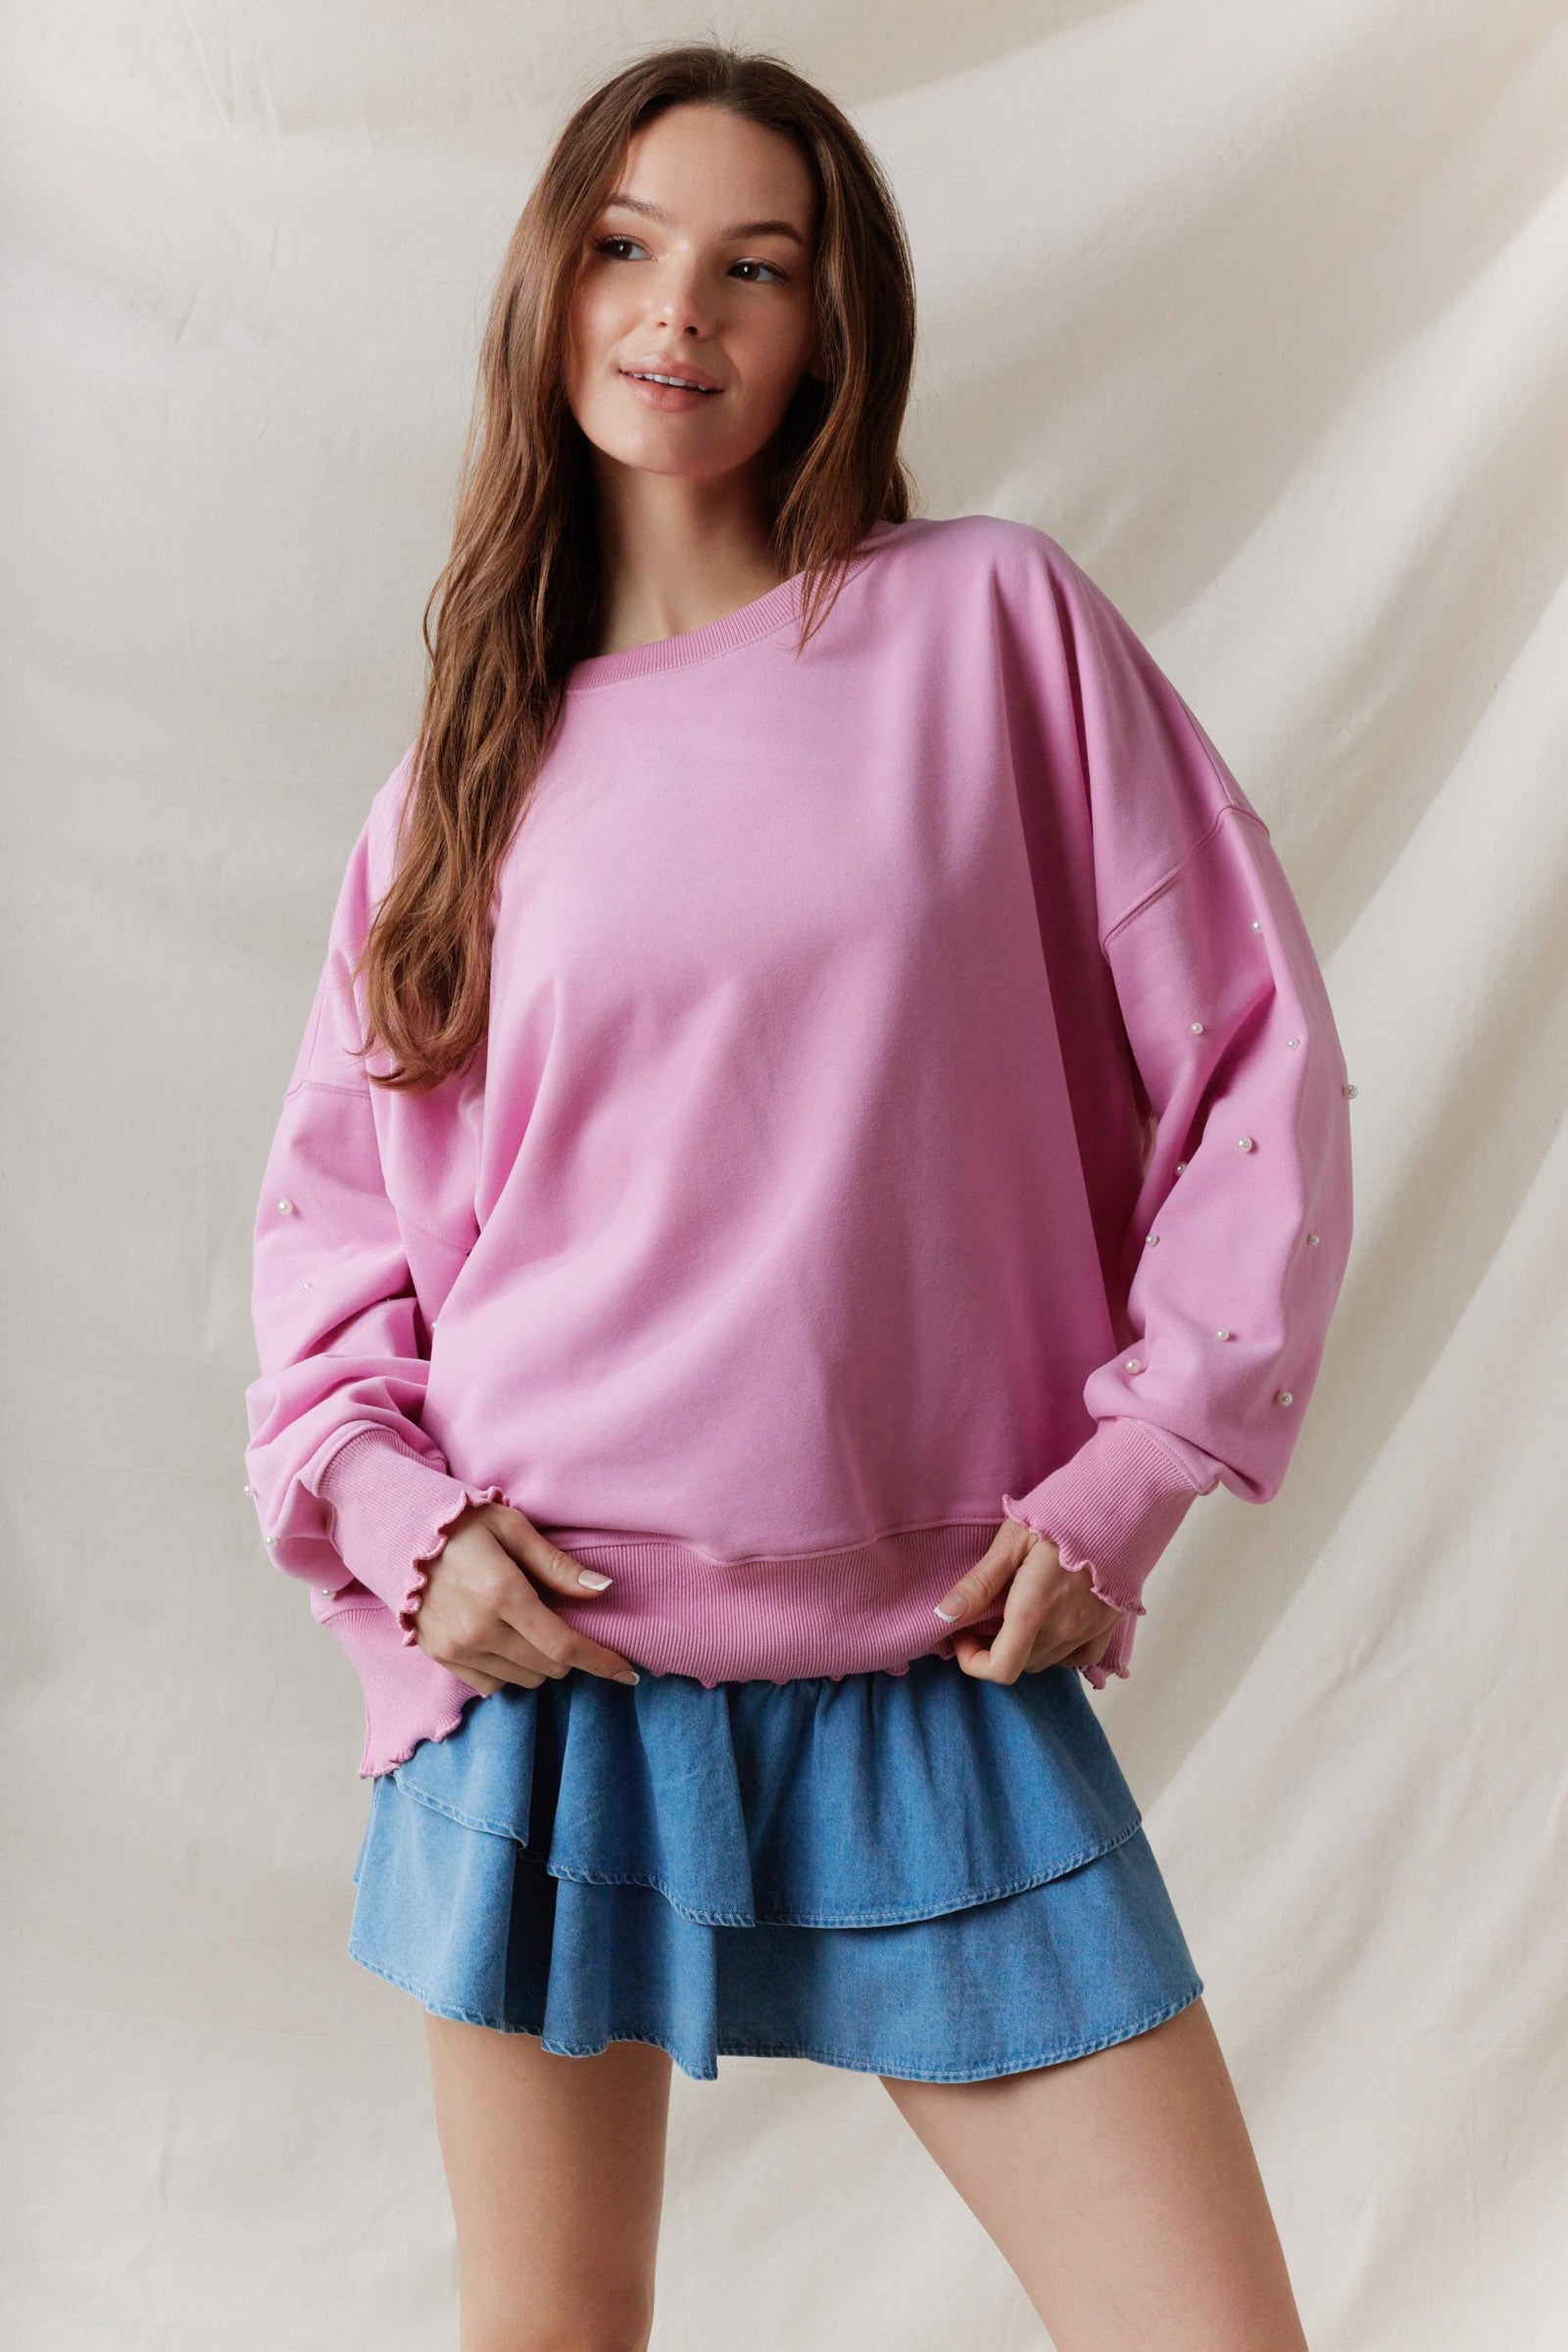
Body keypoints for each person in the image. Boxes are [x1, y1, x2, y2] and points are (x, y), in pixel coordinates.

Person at [243, 40, 1352, 2352]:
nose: (682, 311)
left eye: (756, 267)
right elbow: (331, 1243)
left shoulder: (989, 630)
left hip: (925, 1660)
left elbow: (1249, 1054)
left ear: (831, 328)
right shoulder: (463, 775)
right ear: (551, 285)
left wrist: (1136, 1467)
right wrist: (408, 1530)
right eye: (629, 248)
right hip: (551, 1671)